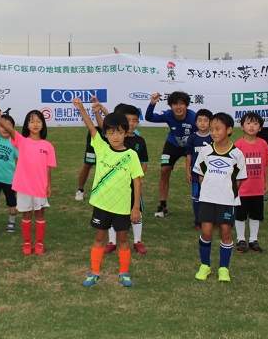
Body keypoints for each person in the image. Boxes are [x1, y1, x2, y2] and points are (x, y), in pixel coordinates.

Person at [73, 98, 143, 288]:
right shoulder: (101, 147)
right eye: (111, 133)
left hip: (122, 207)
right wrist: (81, 109)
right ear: (106, 134)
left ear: (126, 132)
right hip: (101, 204)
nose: (115, 137)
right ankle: (94, 272)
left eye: (119, 132)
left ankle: (124, 272)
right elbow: (91, 127)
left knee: (122, 238)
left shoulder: (131, 155)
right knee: (99, 237)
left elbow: (137, 181)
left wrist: (136, 207)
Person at [0, 107, 57, 255]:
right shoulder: (21, 141)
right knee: (26, 214)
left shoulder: (48, 146)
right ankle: (27, 242)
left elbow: (48, 167)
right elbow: (10, 130)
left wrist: (49, 185)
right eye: (31, 121)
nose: (35, 124)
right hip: (24, 186)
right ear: (27, 125)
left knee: (40, 214)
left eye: (38, 121)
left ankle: (39, 243)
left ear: (43, 124)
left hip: (40, 186)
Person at [192, 112, 247, 283]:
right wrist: (209, 191)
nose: (214, 133)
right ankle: (205, 265)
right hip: (207, 199)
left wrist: (226, 193)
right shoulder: (206, 151)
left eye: (218, 129)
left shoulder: (237, 154)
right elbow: (201, 175)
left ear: (229, 130)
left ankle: (224, 268)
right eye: (211, 129)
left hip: (226, 201)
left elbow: (239, 180)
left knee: (225, 232)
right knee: (206, 232)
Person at [93, 101, 149, 255]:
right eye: (128, 120)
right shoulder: (115, 137)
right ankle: (112, 241)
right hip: (116, 184)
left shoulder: (139, 141)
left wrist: (138, 176)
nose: (131, 124)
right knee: (113, 210)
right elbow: (105, 124)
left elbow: (144, 161)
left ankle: (137, 240)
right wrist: (99, 111)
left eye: (134, 120)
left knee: (136, 210)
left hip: (132, 183)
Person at [145, 91, 197, 218]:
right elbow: (149, 117)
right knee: (164, 170)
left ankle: (202, 204)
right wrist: (152, 103)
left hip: (191, 146)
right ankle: (163, 205)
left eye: (181, 104)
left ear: (186, 105)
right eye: (175, 104)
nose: (178, 107)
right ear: (170, 106)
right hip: (173, 144)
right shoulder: (168, 114)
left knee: (197, 173)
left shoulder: (194, 118)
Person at [233, 112, 268, 253]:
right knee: (240, 215)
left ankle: (253, 240)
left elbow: (266, 164)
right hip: (242, 188)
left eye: (255, 124)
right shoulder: (238, 145)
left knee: (256, 215)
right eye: (248, 123)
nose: (252, 126)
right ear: (242, 126)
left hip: (257, 188)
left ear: (260, 128)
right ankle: (240, 240)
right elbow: (233, 168)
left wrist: (266, 181)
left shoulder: (263, 144)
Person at [185, 109, 214, 230]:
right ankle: (198, 220)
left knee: (210, 196)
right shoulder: (192, 138)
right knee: (196, 196)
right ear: (195, 122)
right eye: (200, 120)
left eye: (206, 120)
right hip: (196, 173)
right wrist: (188, 171)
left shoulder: (213, 138)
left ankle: (211, 219)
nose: (202, 123)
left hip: (211, 174)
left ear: (211, 123)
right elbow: (189, 156)